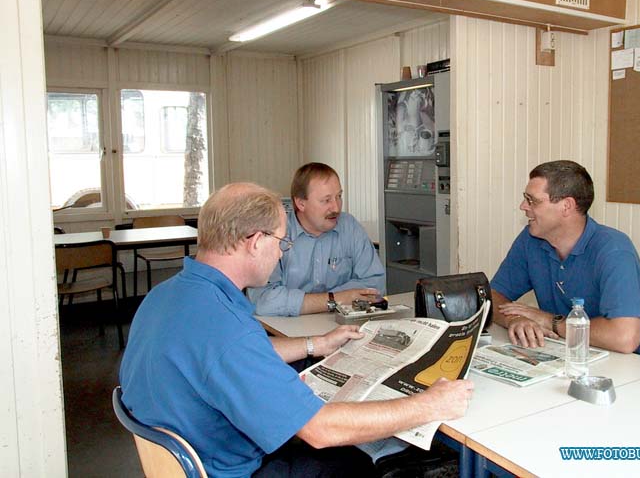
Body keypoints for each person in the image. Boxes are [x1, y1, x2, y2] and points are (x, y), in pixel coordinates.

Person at [119, 182, 473, 477]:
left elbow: (226, 358)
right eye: (281, 243)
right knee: (356, 460)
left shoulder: (167, 295)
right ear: (255, 241)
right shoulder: (227, 329)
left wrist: (316, 344)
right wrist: (428, 404)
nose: (281, 254)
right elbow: (320, 430)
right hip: (232, 468)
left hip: (197, 449)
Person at [490, 160, 640, 359]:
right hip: (563, 354)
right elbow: (491, 296)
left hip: (625, 369)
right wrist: (515, 319)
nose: (523, 206)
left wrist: (550, 321)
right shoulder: (531, 239)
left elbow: (624, 337)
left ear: (566, 206)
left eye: (532, 200)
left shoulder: (614, 249)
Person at [248, 162, 385, 316]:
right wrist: (336, 299)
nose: (336, 208)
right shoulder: (274, 232)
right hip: (287, 330)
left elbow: (376, 283)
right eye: (326, 200)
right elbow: (263, 301)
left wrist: (312, 303)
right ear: (301, 203)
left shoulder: (349, 226)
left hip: (340, 324)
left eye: (339, 196)